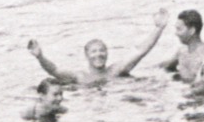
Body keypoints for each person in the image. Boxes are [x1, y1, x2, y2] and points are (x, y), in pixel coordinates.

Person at [27, 7, 168, 86]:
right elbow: (55, 70)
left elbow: (140, 51)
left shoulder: (116, 70)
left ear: (107, 54)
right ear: (86, 55)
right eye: (93, 51)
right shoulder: (80, 76)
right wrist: (40, 56)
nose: (98, 54)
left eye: (102, 50)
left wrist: (159, 28)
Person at [162, 9, 204, 81]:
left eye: (179, 29)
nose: (176, 33)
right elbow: (164, 67)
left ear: (192, 30)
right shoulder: (182, 51)